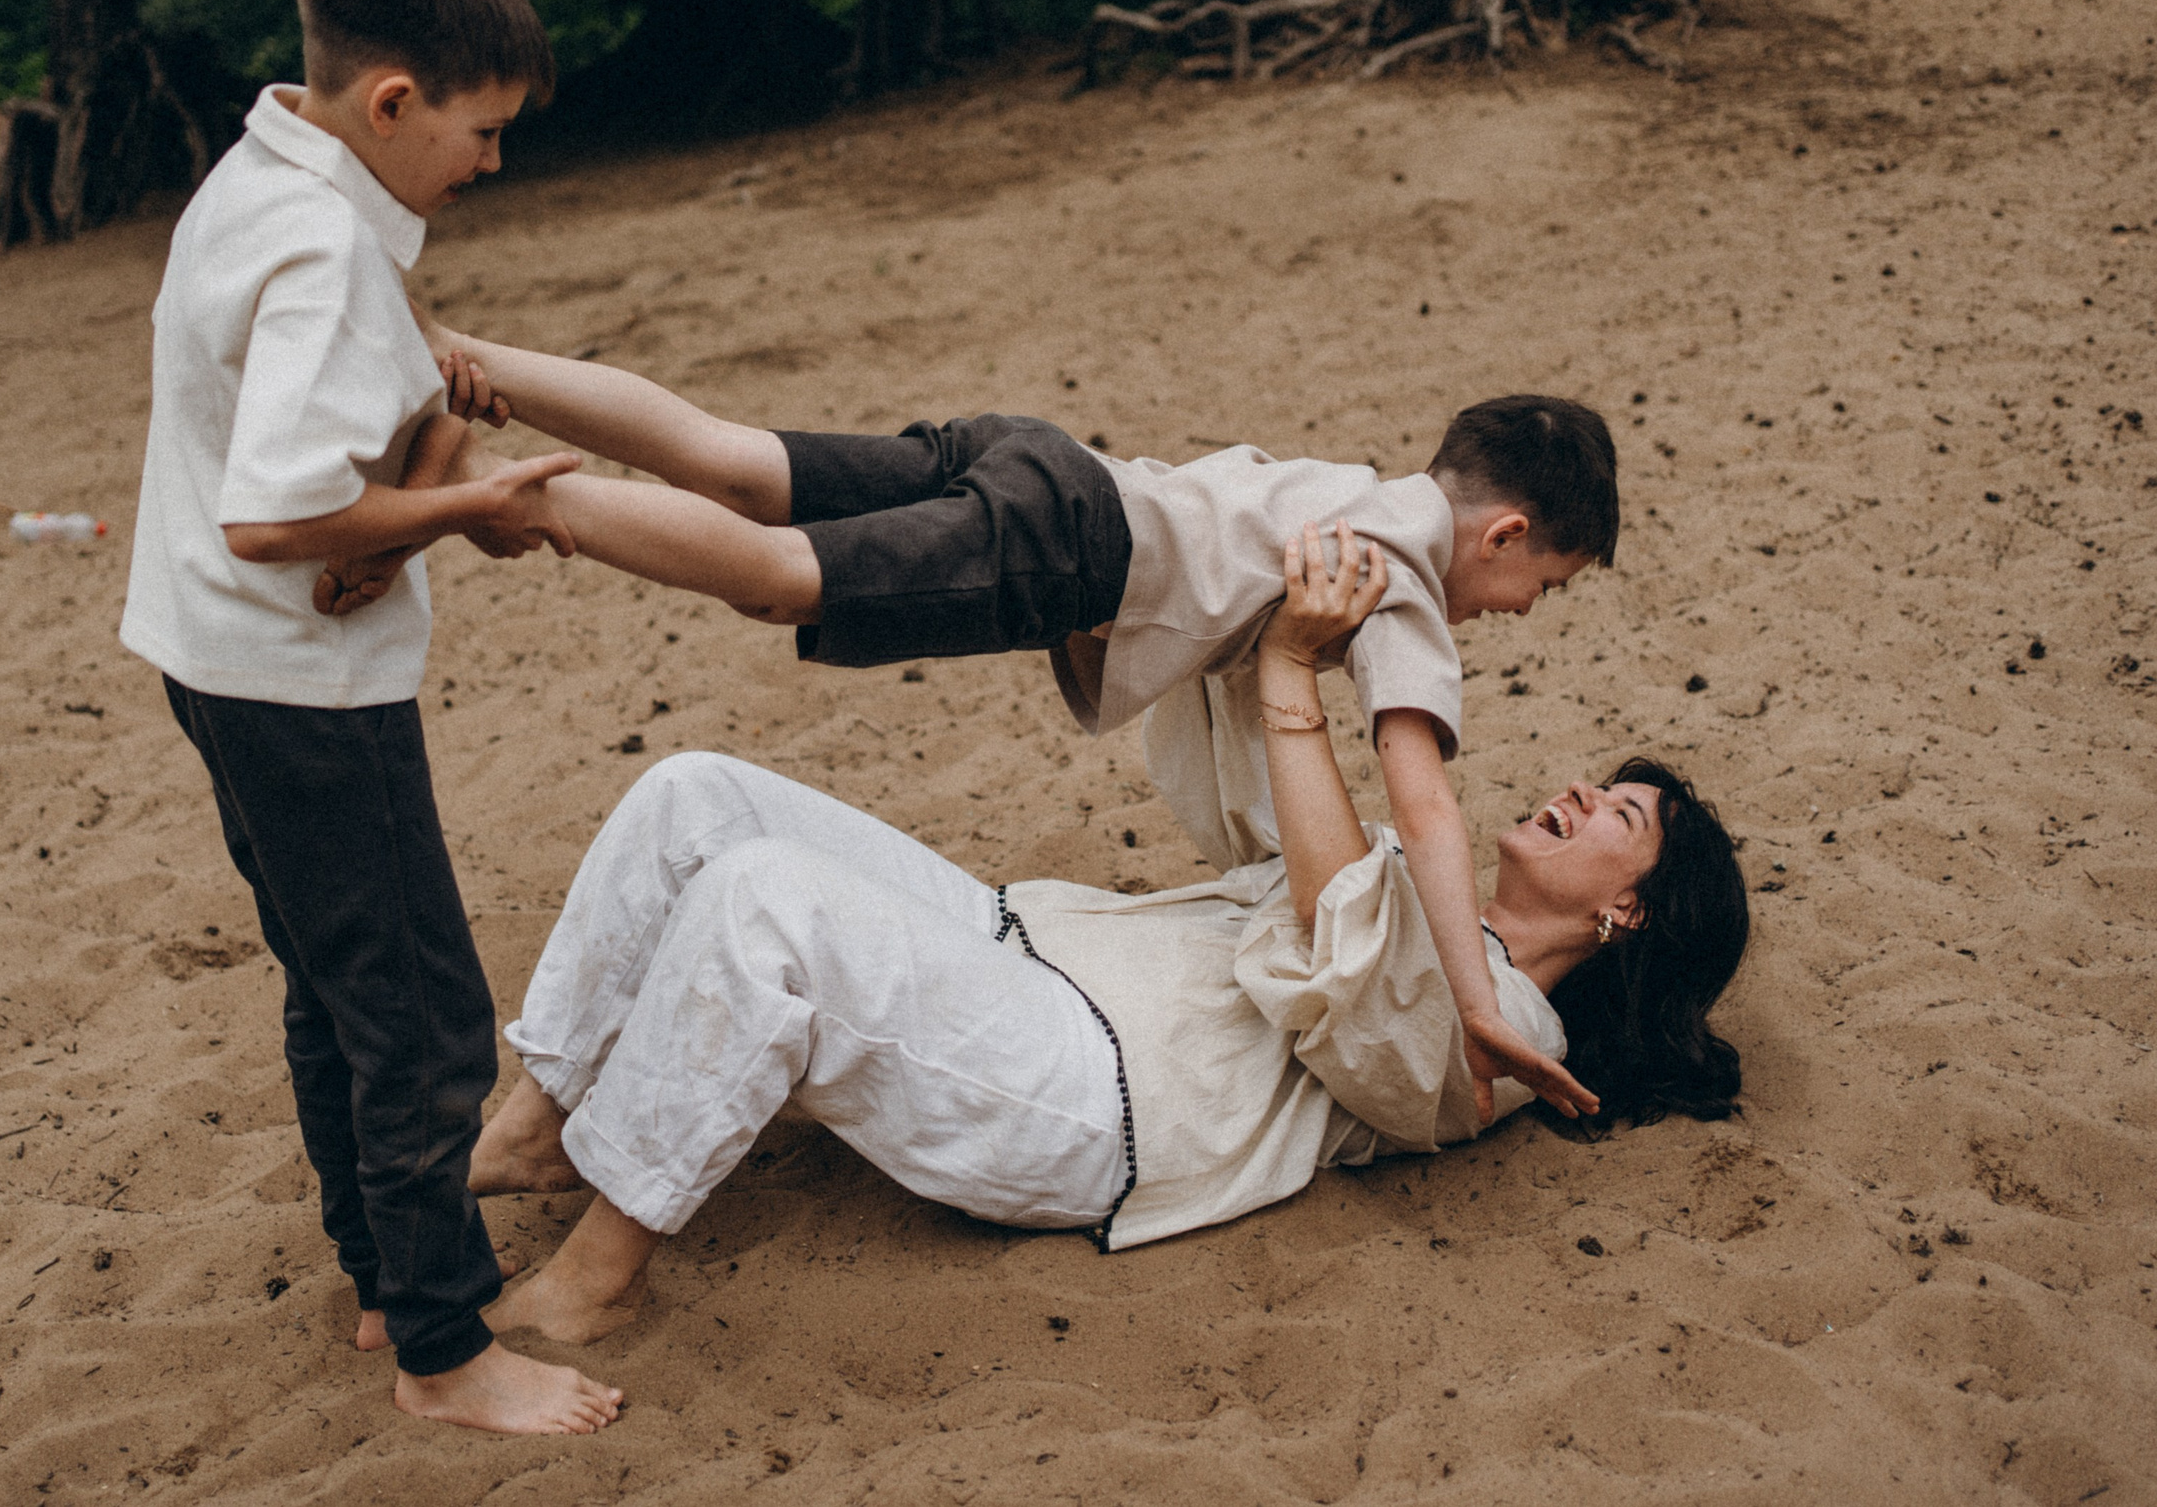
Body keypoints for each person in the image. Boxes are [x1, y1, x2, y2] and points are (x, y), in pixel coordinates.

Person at [466, 525, 1749, 1344]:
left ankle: (595, 1277)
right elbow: (1266, 813)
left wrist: (1296, 679)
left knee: (764, 902)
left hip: (1093, 1095)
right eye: (1600, 782)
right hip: (1034, 945)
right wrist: (1256, 617)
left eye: (1619, 812)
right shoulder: (1426, 874)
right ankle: (544, 1116)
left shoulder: (1509, 1037)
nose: (1581, 793)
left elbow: (1346, 967)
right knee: (698, 788)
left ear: (1626, 907)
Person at [331, 335, 1620, 1121]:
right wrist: (1469, 996)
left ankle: (460, 358)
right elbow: (1425, 801)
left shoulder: (1364, 492)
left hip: (1045, 461)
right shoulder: (1402, 575)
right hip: (1073, 542)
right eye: (1539, 586)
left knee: (730, 455)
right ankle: (480, 495)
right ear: (1505, 533)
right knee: (775, 571)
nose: (1513, 609)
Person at [116, 0, 622, 1435]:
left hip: (209, 657)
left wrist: (433, 402)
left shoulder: (265, 169)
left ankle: (382, 1273)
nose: (492, 162)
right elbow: (280, 517)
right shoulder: (331, 246)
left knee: (336, 991)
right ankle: (446, 1348)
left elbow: (328, 449)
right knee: (421, 1015)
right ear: (394, 100)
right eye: (481, 130)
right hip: (303, 686)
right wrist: (474, 500)